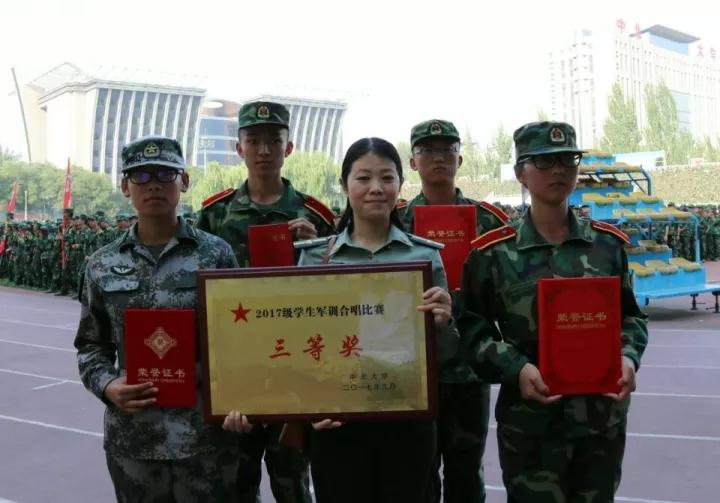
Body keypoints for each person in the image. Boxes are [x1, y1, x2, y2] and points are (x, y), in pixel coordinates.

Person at [227, 137, 456, 502]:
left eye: (387, 177)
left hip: (408, 422)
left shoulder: (425, 258)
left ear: (400, 184)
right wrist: (309, 403)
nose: (376, 188)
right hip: (335, 425)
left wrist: (444, 323)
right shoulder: (316, 259)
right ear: (345, 185)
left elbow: (444, 356)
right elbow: (300, 345)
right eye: (363, 178)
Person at [457, 121, 648, 502]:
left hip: (600, 424)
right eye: (544, 162)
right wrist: (517, 367)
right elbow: (472, 330)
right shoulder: (492, 254)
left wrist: (628, 358)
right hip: (530, 428)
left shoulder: (606, 246)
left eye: (567, 160)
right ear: (520, 173)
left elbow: (631, 318)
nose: (558, 170)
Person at [74, 135, 242, 502]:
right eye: (141, 175)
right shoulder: (102, 264)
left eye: (166, 174)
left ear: (184, 181)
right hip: (134, 440)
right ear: (125, 186)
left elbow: (237, 342)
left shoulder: (216, 255)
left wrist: (240, 400)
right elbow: (90, 345)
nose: (153, 184)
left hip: (205, 440)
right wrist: (107, 385)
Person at [196, 100, 334, 503]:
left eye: (274, 141)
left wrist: (315, 249)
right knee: (236, 482)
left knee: (293, 482)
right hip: (237, 365)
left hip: (297, 365)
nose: (263, 150)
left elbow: (338, 293)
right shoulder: (215, 215)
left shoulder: (316, 215)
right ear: (238, 147)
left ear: (288, 147)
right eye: (253, 141)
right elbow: (200, 292)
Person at [399, 119, 509, 503]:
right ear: (413, 162)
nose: (439, 158)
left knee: (466, 470)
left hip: (468, 367)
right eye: (428, 150)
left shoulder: (489, 221)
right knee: (419, 471)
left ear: (460, 158)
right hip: (414, 369)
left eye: (447, 150)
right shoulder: (396, 221)